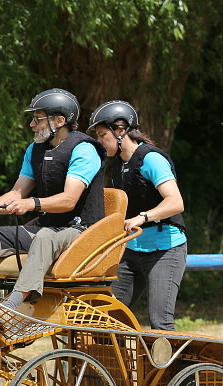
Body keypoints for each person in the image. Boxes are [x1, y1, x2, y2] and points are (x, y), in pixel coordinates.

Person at [0, 88, 105, 310]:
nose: (31, 125)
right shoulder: (34, 150)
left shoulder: (84, 150)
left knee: (44, 236)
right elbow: (17, 193)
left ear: (60, 120)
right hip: (47, 228)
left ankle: (12, 306)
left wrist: (31, 204)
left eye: (38, 119)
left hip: (81, 232)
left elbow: (69, 200)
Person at [88, 100, 186, 331]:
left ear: (121, 131)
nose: (100, 142)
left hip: (165, 249)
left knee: (160, 322)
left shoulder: (151, 159)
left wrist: (142, 217)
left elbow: (176, 202)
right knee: (106, 319)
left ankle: (172, 367)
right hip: (132, 251)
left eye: (103, 135)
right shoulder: (118, 164)